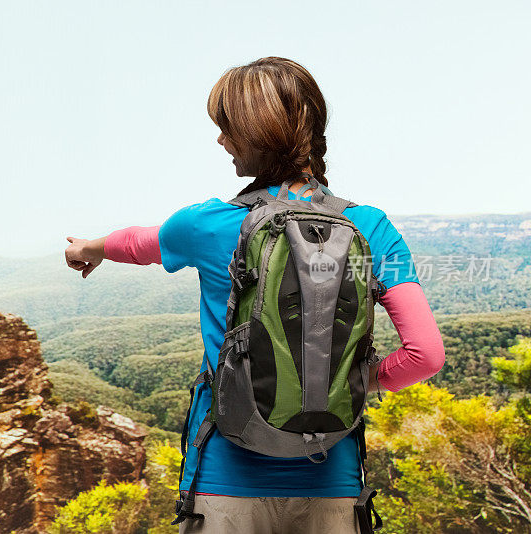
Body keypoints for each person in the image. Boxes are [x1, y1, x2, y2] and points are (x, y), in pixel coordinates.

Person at [64, 57, 445, 534]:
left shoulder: (205, 224)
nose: (220, 140)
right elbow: (426, 356)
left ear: (257, 134)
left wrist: (89, 248)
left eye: (227, 129)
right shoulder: (369, 227)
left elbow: (140, 242)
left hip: (226, 482)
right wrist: (349, 379)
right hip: (333, 483)